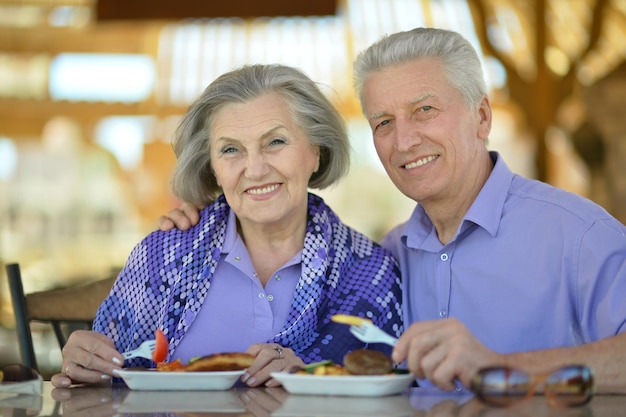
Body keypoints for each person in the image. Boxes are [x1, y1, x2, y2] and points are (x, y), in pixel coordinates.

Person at [159, 28, 626, 394]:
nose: (404, 140)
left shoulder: (577, 234)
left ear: (481, 116)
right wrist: (208, 219)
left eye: (424, 110)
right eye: (384, 122)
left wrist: (503, 368)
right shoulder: (387, 258)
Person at [51, 64, 403, 389]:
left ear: (316, 150)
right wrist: (88, 363)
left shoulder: (371, 270)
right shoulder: (161, 255)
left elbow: (379, 387)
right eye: (231, 150)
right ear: (213, 169)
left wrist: (307, 375)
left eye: (275, 142)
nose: (255, 168)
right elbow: (109, 379)